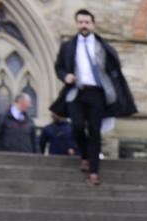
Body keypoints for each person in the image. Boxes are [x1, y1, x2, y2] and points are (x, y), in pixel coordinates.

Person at [50, 8, 136, 186]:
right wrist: (65, 76)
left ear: (92, 24)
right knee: (77, 127)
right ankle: (86, 156)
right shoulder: (68, 47)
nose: (84, 25)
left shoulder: (103, 47)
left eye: (87, 22)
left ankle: (94, 172)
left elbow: (114, 69)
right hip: (76, 92)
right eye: (80, 22)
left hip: (97, 93)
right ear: (76, 23)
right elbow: (59, 67)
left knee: (95, 132)